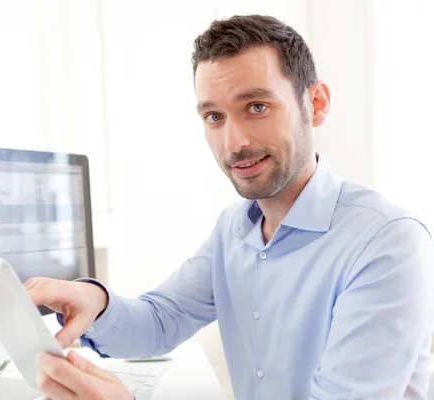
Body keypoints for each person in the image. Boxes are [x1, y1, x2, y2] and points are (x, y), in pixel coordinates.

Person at [27, 14, 434, 399]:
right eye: (214, 116)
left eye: (256, 107)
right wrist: (96, 302)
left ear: (317, 104)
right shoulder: (234, 229)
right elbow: (159, 321)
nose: (234, 142)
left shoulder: (388, 241)